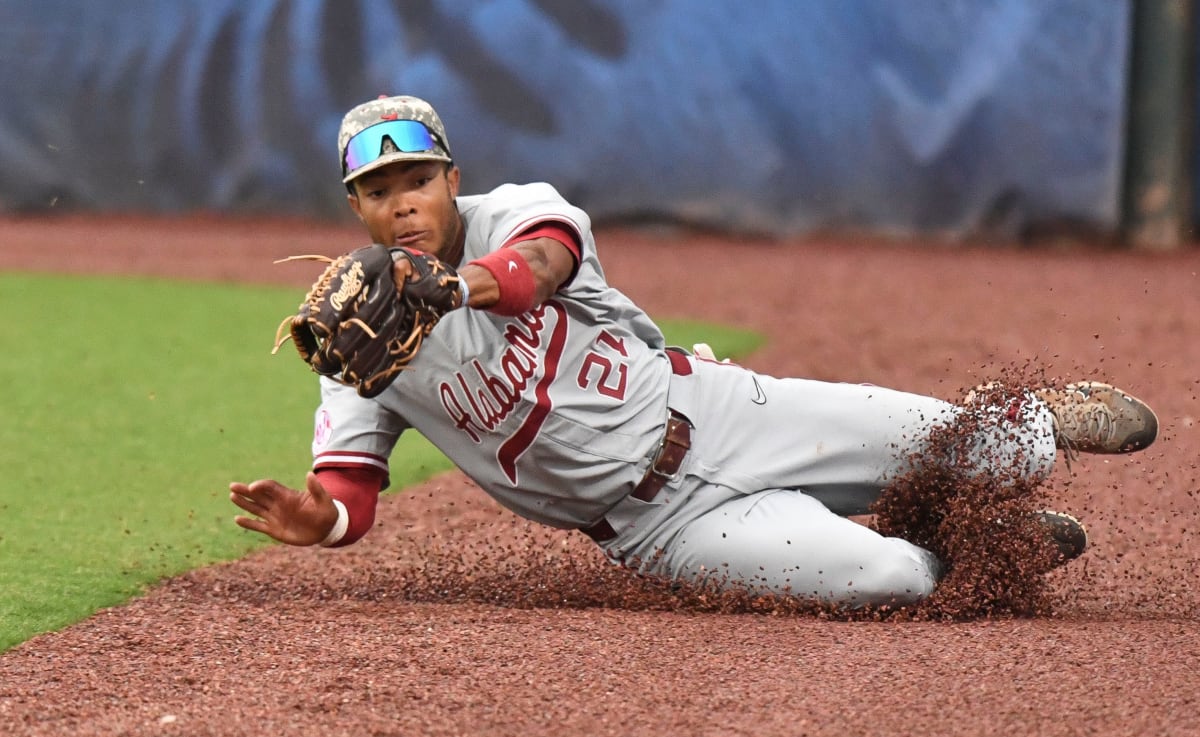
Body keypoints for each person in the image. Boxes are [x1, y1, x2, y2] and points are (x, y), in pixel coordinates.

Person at [229, 94, 1159, 609]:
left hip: (717, 414)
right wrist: (322, 523)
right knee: (886, 581)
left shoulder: (509, 213)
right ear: (354, 207)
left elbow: (538, 267)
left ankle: (1043, 420)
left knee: (997, 449)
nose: (401, 202)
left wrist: (455, 287)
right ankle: (971, 546)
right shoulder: (357, 347)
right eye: (378, 189)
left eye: (416, 180)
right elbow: (350, 490)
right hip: (653, 529)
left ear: (451, 180)